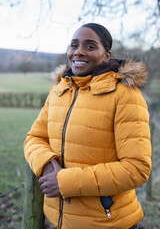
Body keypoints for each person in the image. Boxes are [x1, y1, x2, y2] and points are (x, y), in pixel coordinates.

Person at [24, 23, 152, 229]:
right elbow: (34, 138)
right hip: (56, 220)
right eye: (74, 45)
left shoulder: (125, 96)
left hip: (107, 222)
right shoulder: (59, 91)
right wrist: (47, 163)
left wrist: (65, 182)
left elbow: (137, 169)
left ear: (106, 55)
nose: (78, 52)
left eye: (90, 46)